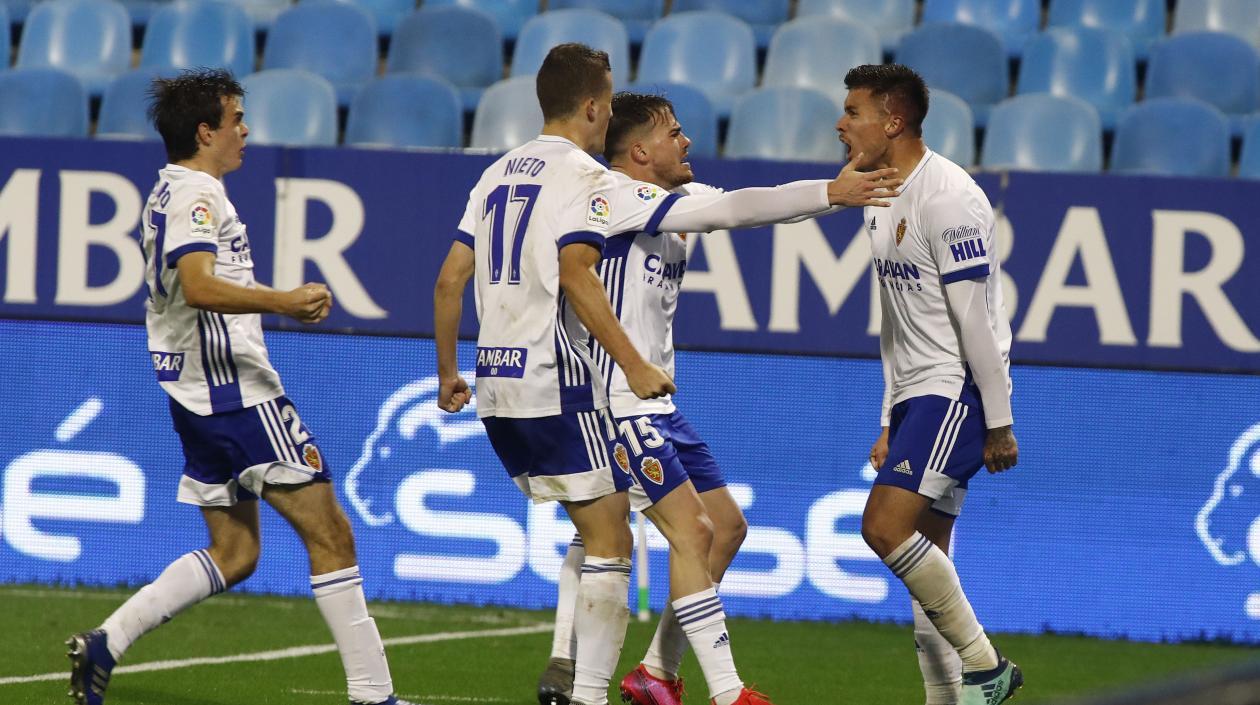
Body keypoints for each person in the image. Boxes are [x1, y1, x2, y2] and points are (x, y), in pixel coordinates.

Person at [434, 45, 899, 705]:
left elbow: (742, 204)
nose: (687, 138)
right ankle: (703, 686)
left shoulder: (646, 195)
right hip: (613, 398)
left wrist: (833, 190)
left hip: (642, 402)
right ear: (636, 149)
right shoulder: (607, 193)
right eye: (671, 130)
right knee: (662, 532)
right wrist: (832, 193)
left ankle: (649, 670)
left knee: (716, 527)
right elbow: (593, 264)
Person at [66, 69, 415, 705]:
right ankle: (373, 695)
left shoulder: (175, 191)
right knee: (332, 535)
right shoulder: (197, 195)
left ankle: (107, 640)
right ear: (206, 132)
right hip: (236, 395)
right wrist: (281, 299)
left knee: (236, 550)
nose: (245, 130)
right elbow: (198, 284)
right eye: (235, 119)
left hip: (197, 396)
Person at [837, 64, 1023, 705]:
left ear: (893, 121)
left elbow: (976, 320)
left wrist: (998, 419)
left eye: (854, 111)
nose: (842, 123)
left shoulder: (949, 198)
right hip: (918, 394)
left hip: (958, 390)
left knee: (883, 529)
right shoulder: (878, 193)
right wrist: (890, 416)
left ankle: (986, 665)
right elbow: (894, 321)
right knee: (928, 564)